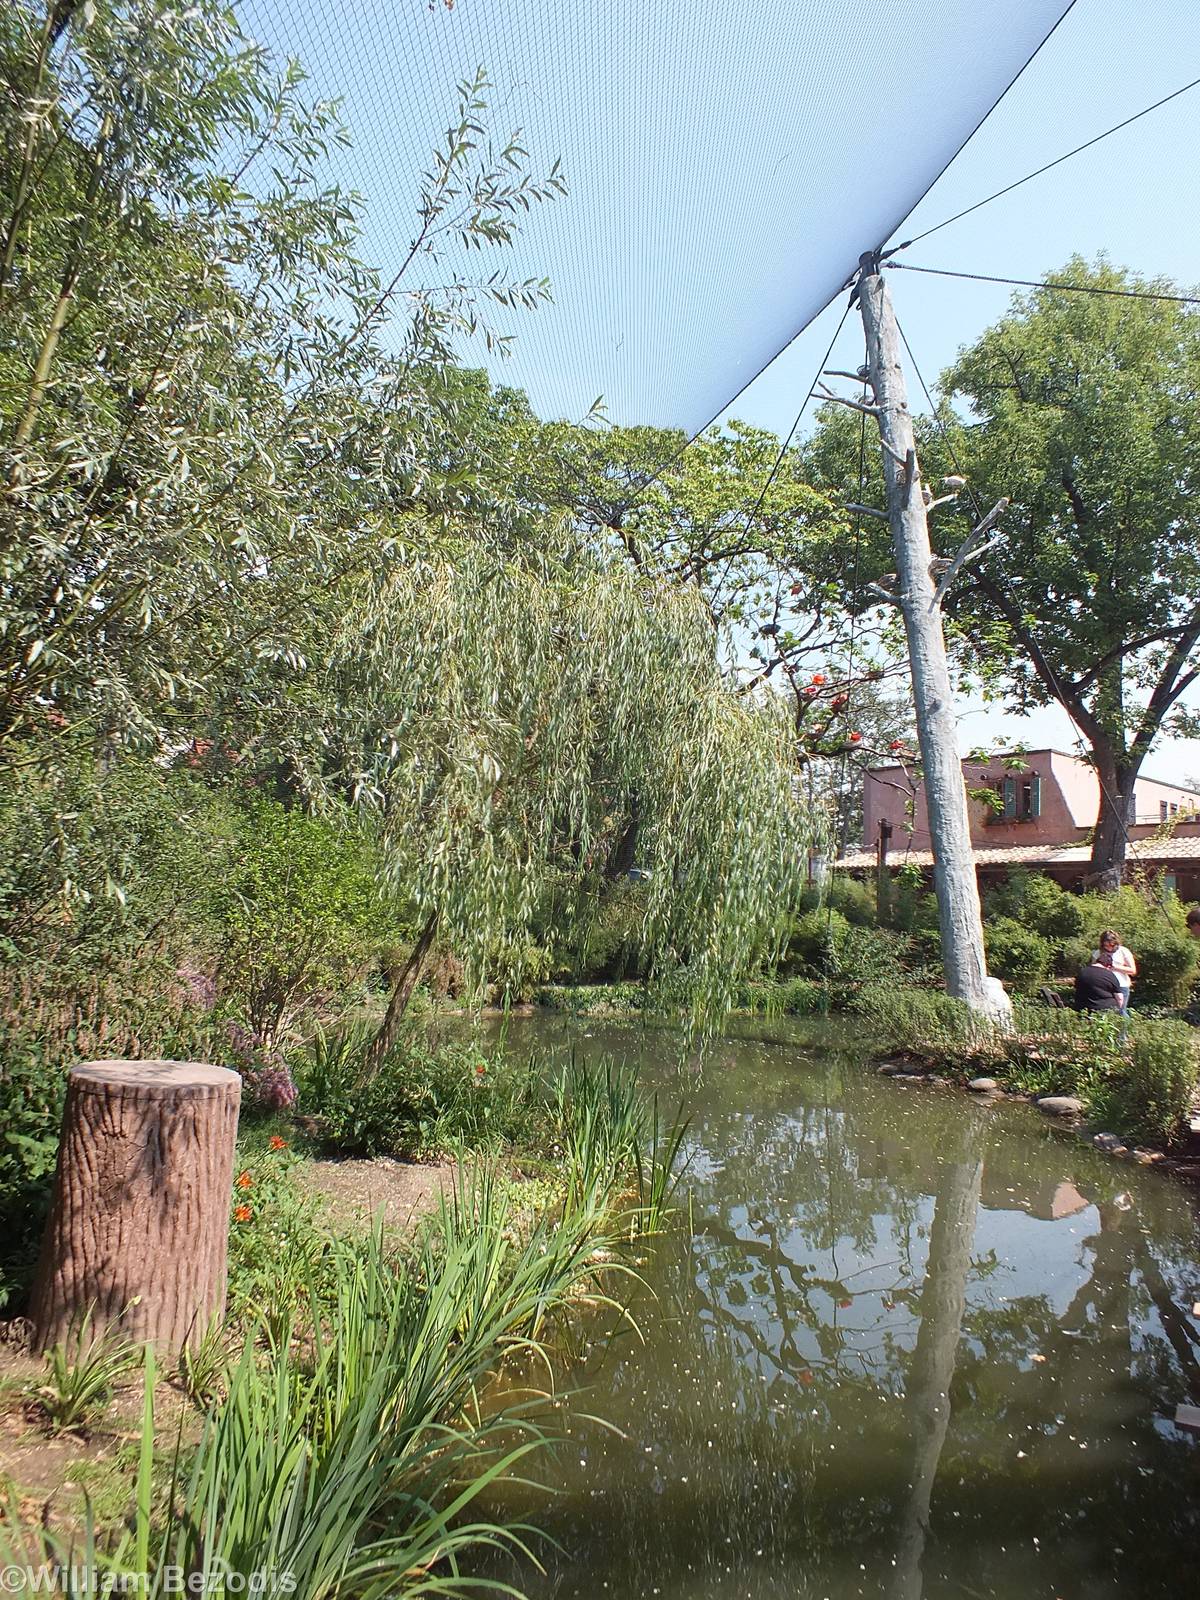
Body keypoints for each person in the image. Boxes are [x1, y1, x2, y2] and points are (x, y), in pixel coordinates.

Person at [1091, 929, 1136, 1009]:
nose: (1109, 948)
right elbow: (1093, 969)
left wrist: (1115, 967)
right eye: (1106, 946)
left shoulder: (1123, 951)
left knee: (1121, 1011)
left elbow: (1132, 970)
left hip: (1121, 985)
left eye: (1112, 945)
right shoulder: (1098, 953)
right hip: (1104, 986)